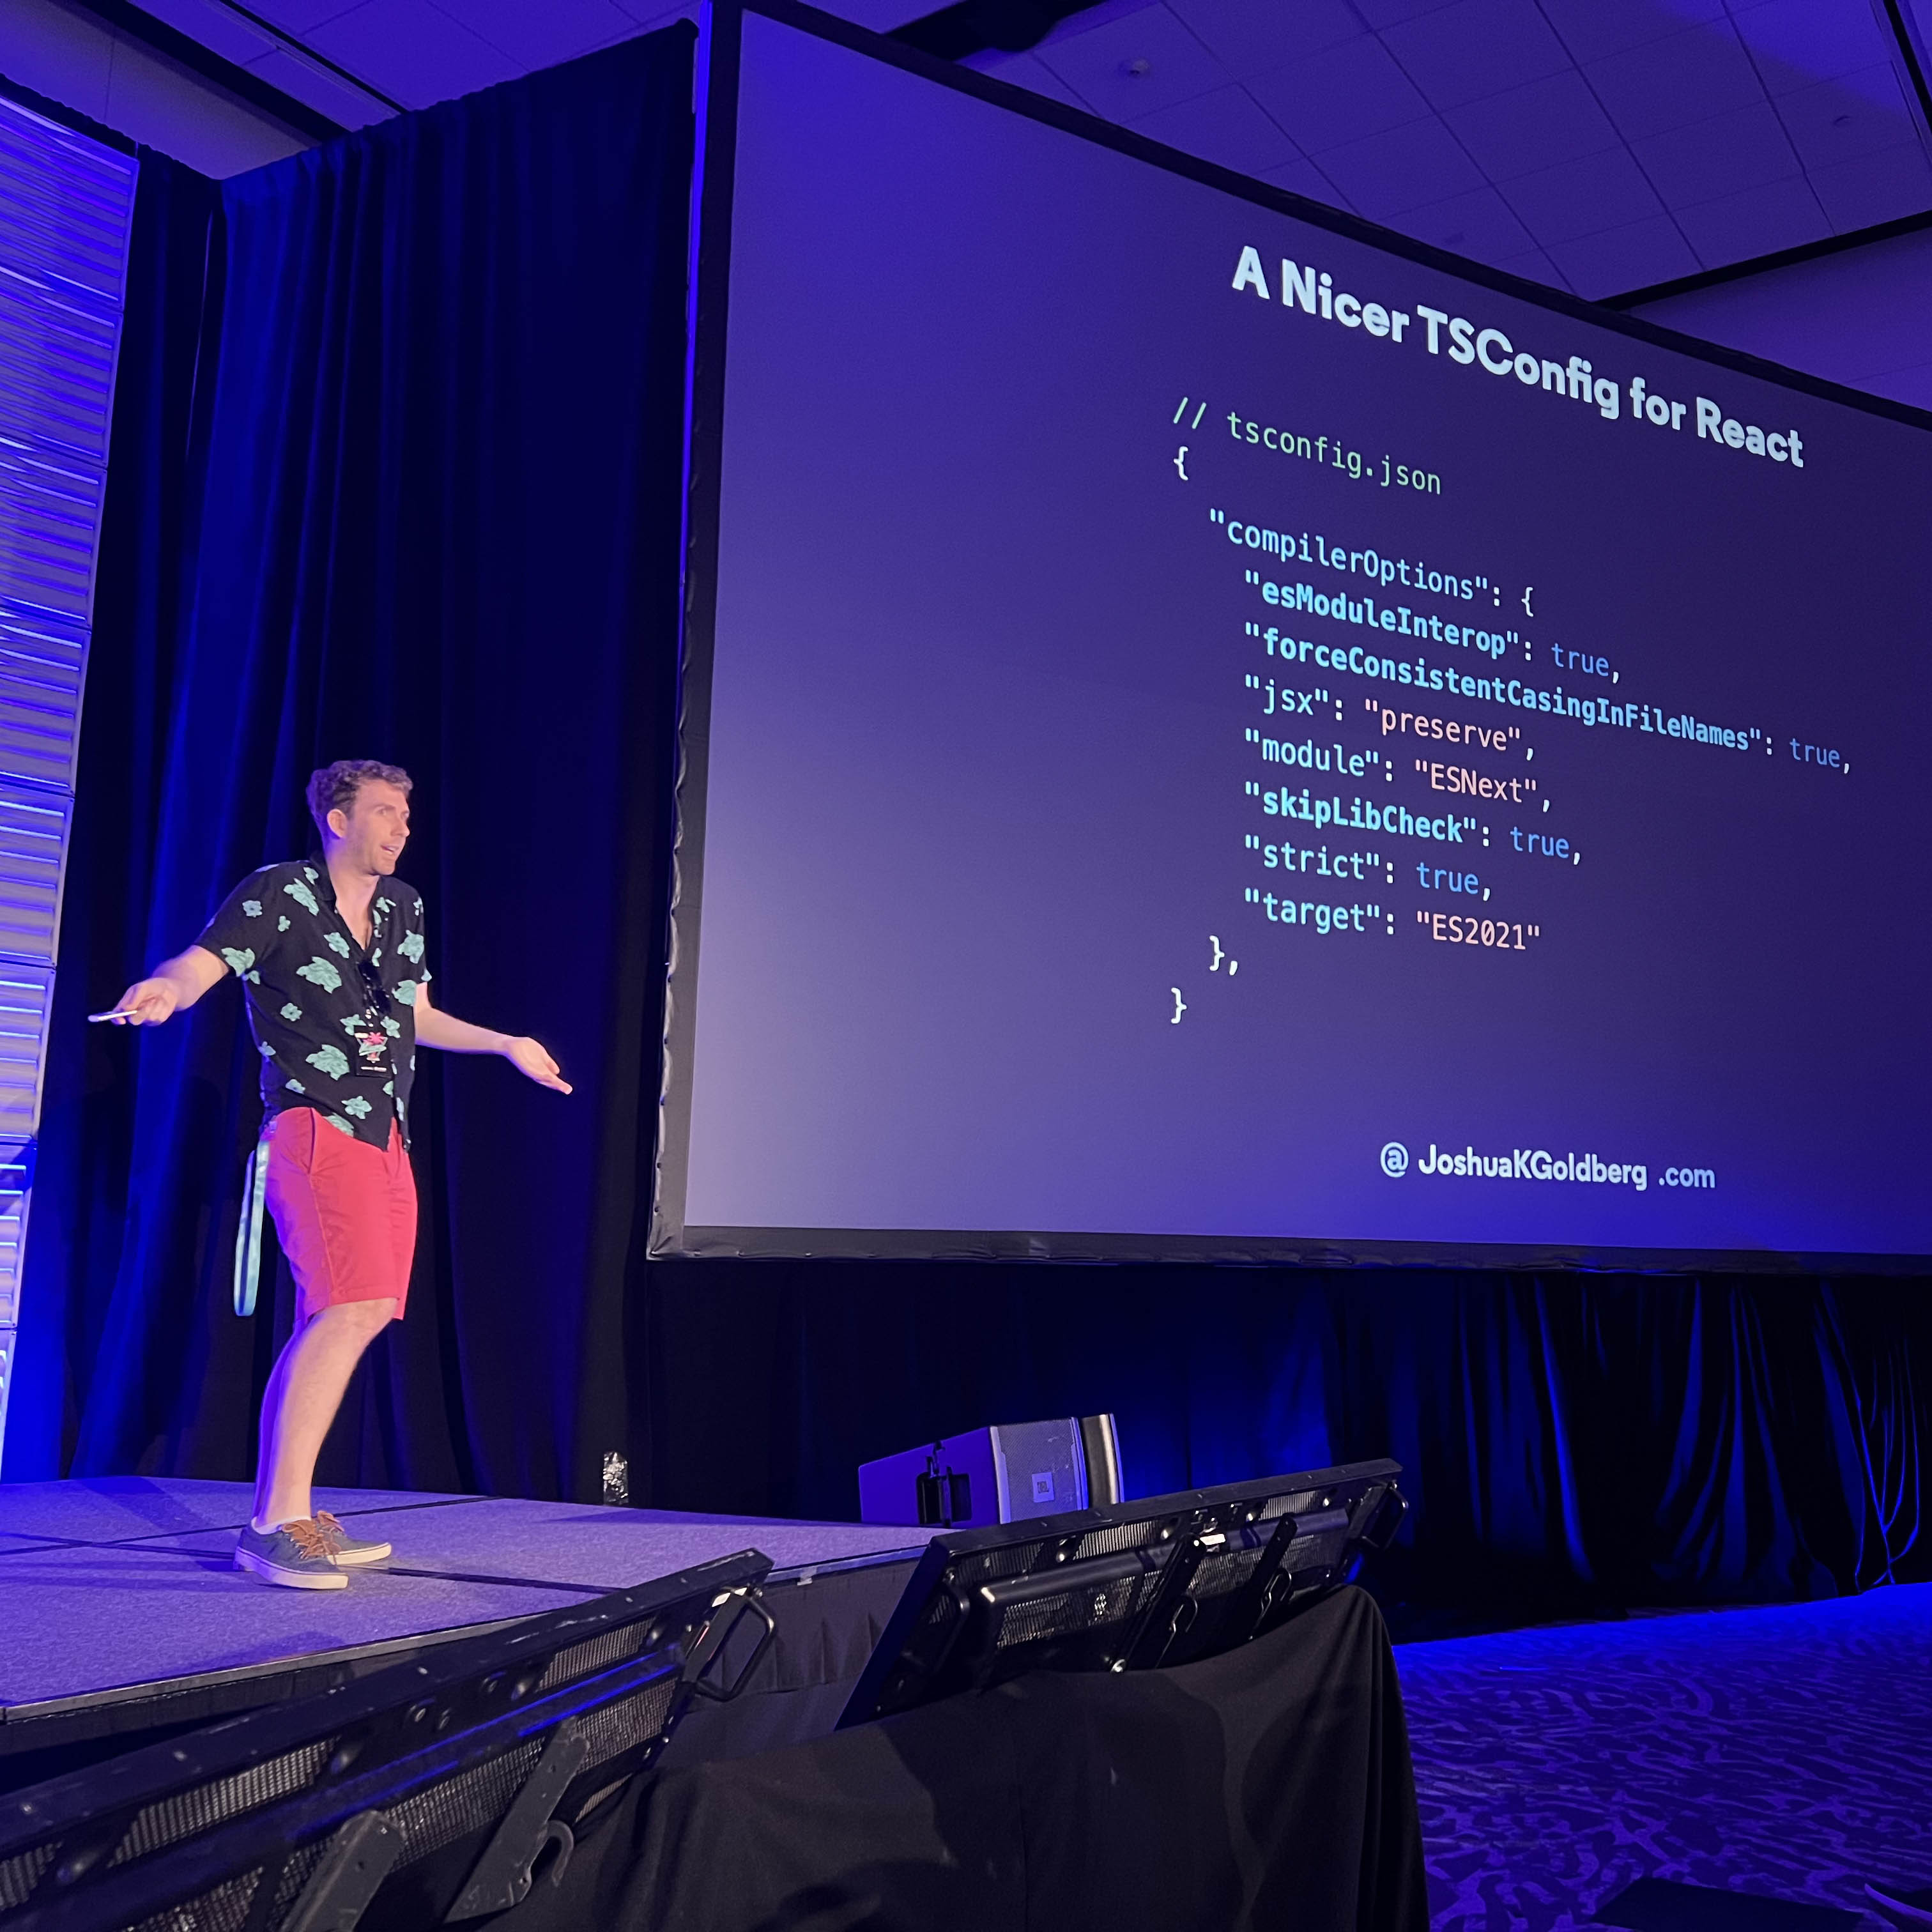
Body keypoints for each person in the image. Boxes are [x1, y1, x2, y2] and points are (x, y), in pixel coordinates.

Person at [108, 760, 571, 1589]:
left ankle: (293, 1508)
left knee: (359, 1315)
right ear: (337, 818)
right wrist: (164, 992)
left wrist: (505, 1044)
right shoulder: (279, 893)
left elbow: (417, 1017)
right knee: (345, 1307)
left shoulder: (403, 909)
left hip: (384, 1132)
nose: (401, 829)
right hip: (316, 1126)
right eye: (386, 813)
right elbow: (204, 962)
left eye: (406, 817)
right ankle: (272, 1522)